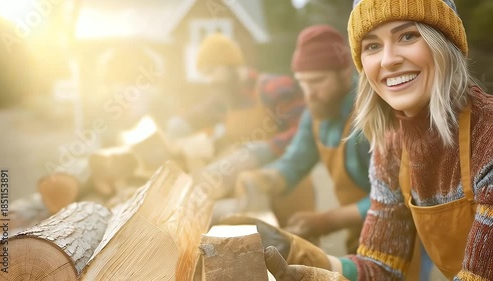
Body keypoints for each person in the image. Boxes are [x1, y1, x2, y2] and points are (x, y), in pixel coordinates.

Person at [263, 0, 493, 280]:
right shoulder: (392, 146)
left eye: (408, 36)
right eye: (372, 46)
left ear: (445, 43)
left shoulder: (488, 137)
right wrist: (306, 259)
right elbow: (380, 266)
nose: (388, 60)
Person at [234, 24, 371, 256]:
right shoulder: (318, 110)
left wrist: (327, 221)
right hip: (360, 230)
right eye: (303, 83)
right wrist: (266, 178)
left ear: (345, 72)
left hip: (404, 232)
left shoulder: (372, 114)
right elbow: (296, 160)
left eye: (317, 81)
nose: (309, 93)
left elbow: (396, 198)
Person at [167, 32, 315, 224]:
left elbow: (307, 131)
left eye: (212, 71)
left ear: (231, 66)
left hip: (288, 190)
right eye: (205, 75)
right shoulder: (224, 98)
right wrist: (177, 125)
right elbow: (195, 115)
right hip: (251, 193)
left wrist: (263, 150)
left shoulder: (274, 87)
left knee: (299, 248)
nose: (210, 81)